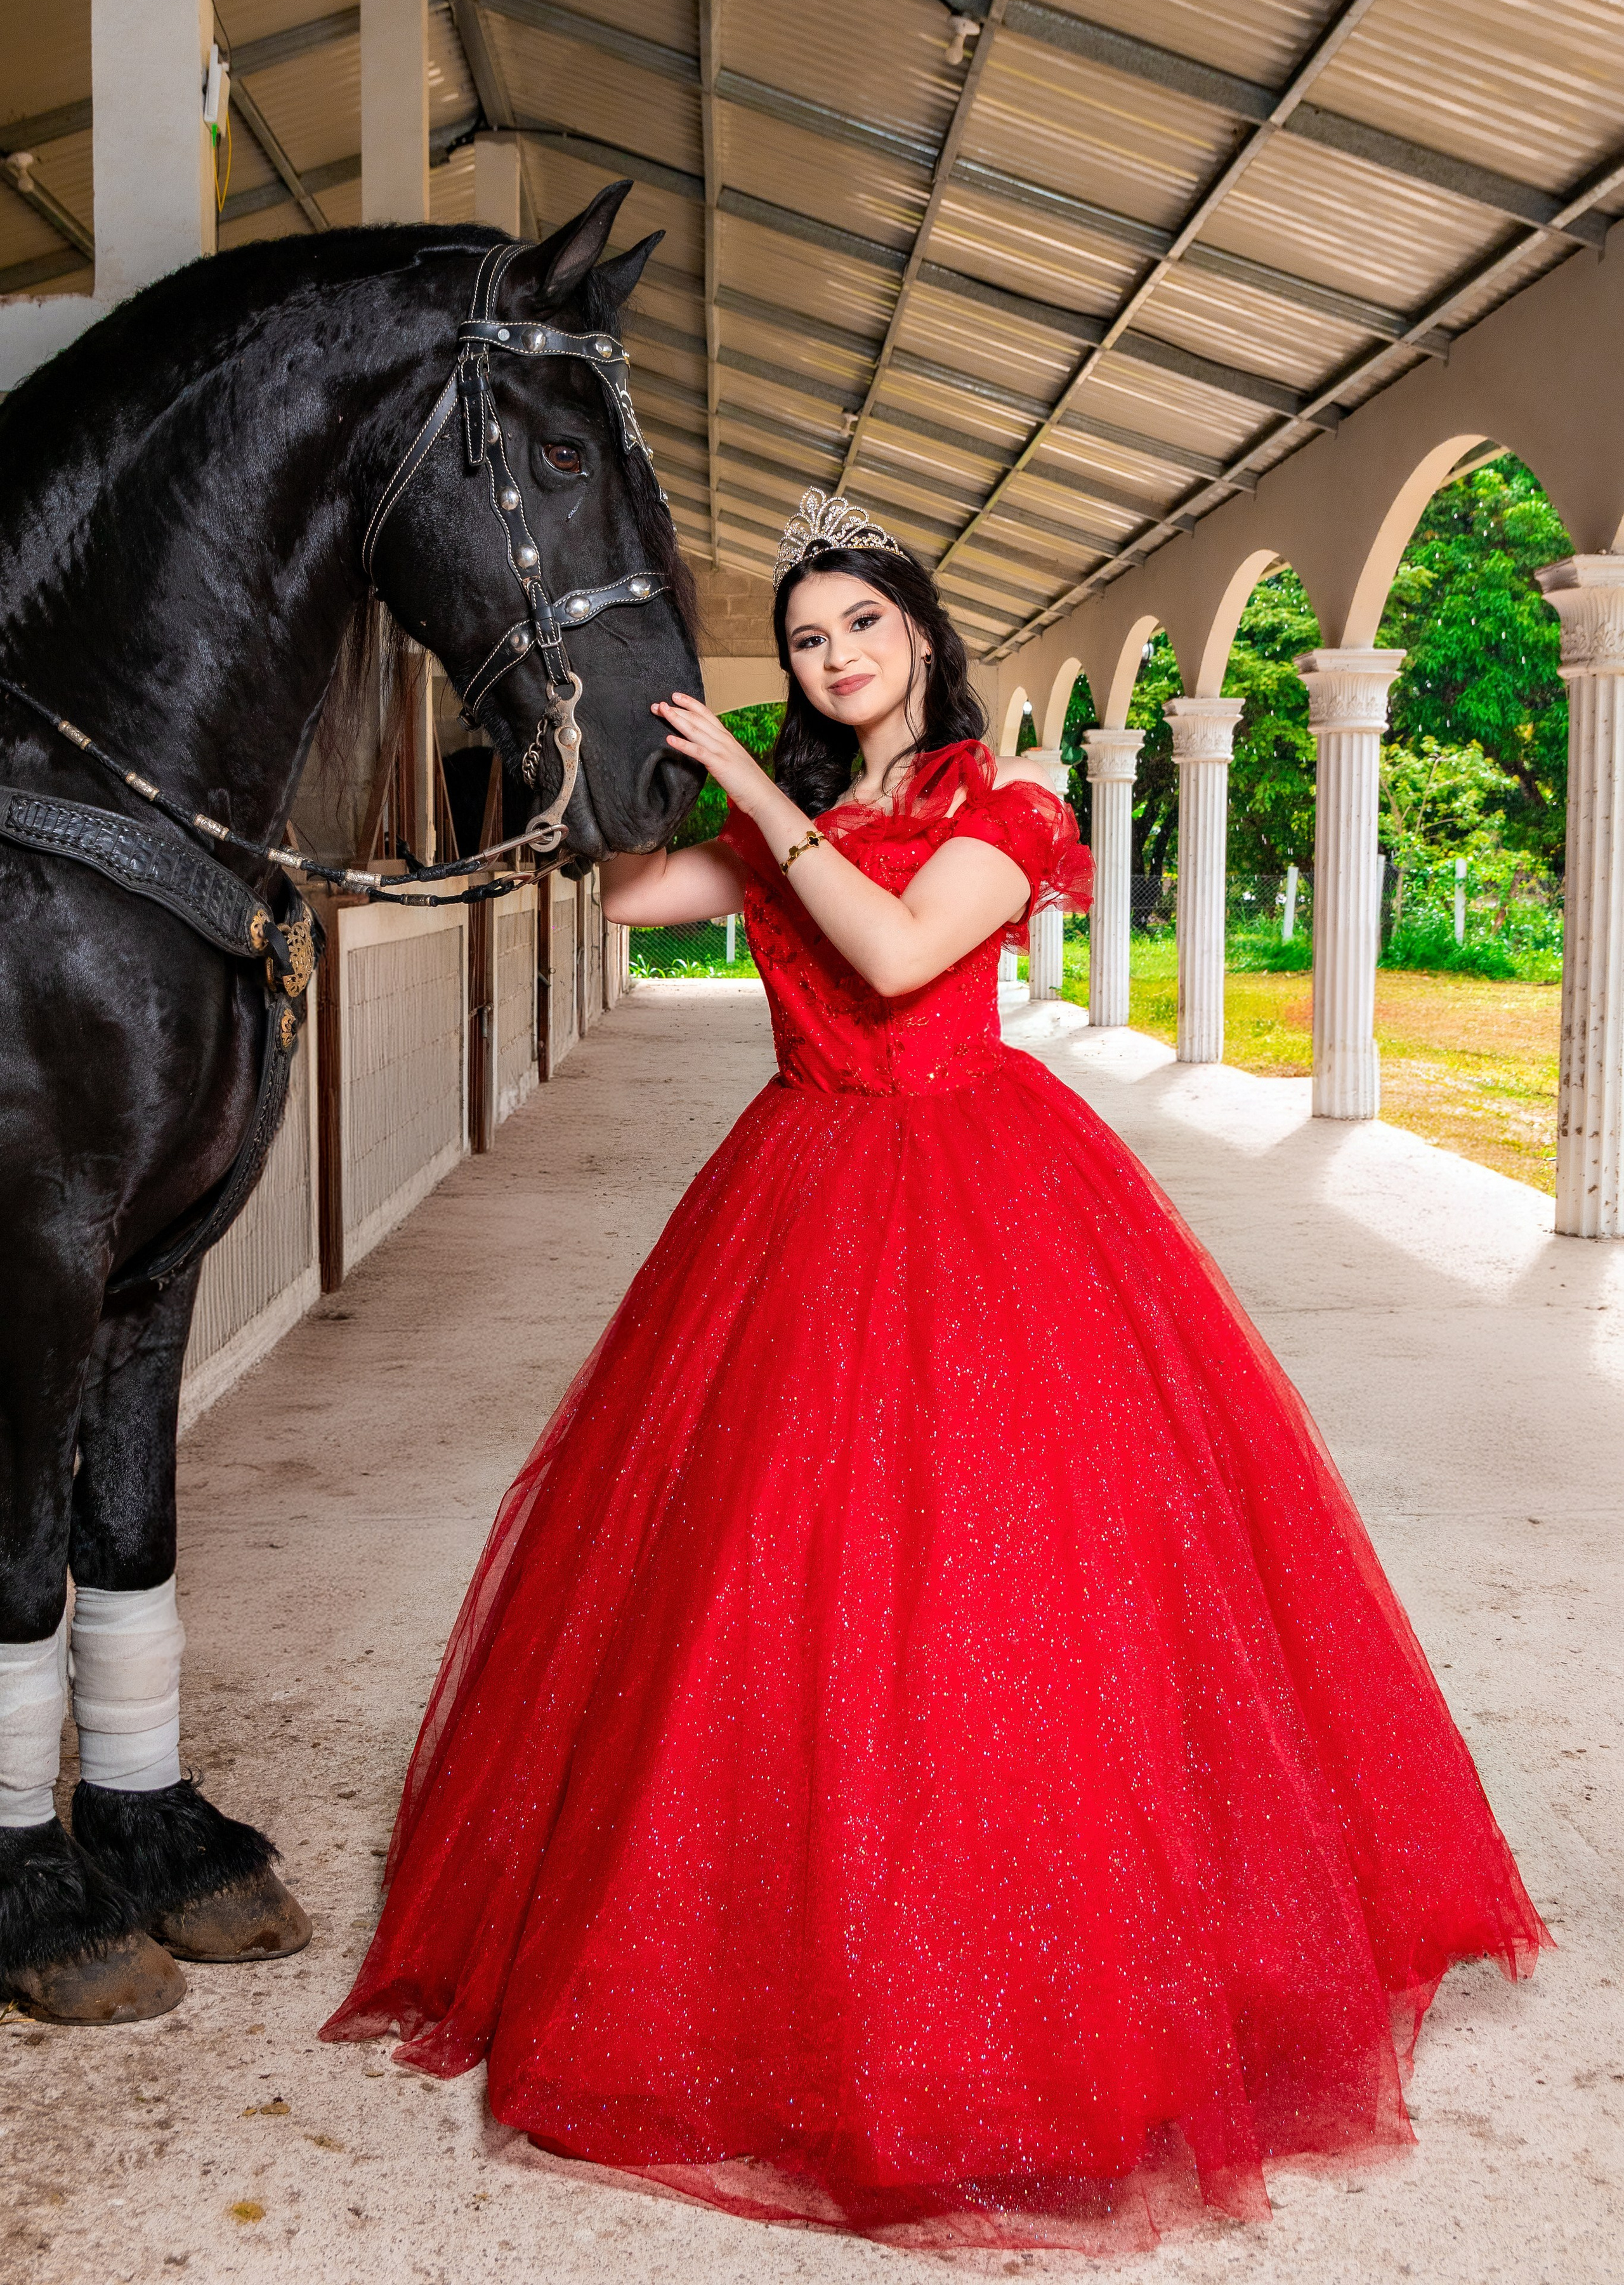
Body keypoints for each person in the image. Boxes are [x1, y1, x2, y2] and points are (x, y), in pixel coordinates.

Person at [324, 491, 1547, 2254]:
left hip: (977, 1193)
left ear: (920, 636)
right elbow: (616, 904)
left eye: (858, 630)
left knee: (1000, 1574)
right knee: (764, 1576)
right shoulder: (804, 813)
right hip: (795, 1188)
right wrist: (555, 757)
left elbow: (902, 958)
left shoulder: (1011, 805)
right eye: (808, 641)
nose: (830, 663)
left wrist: (751, 794)